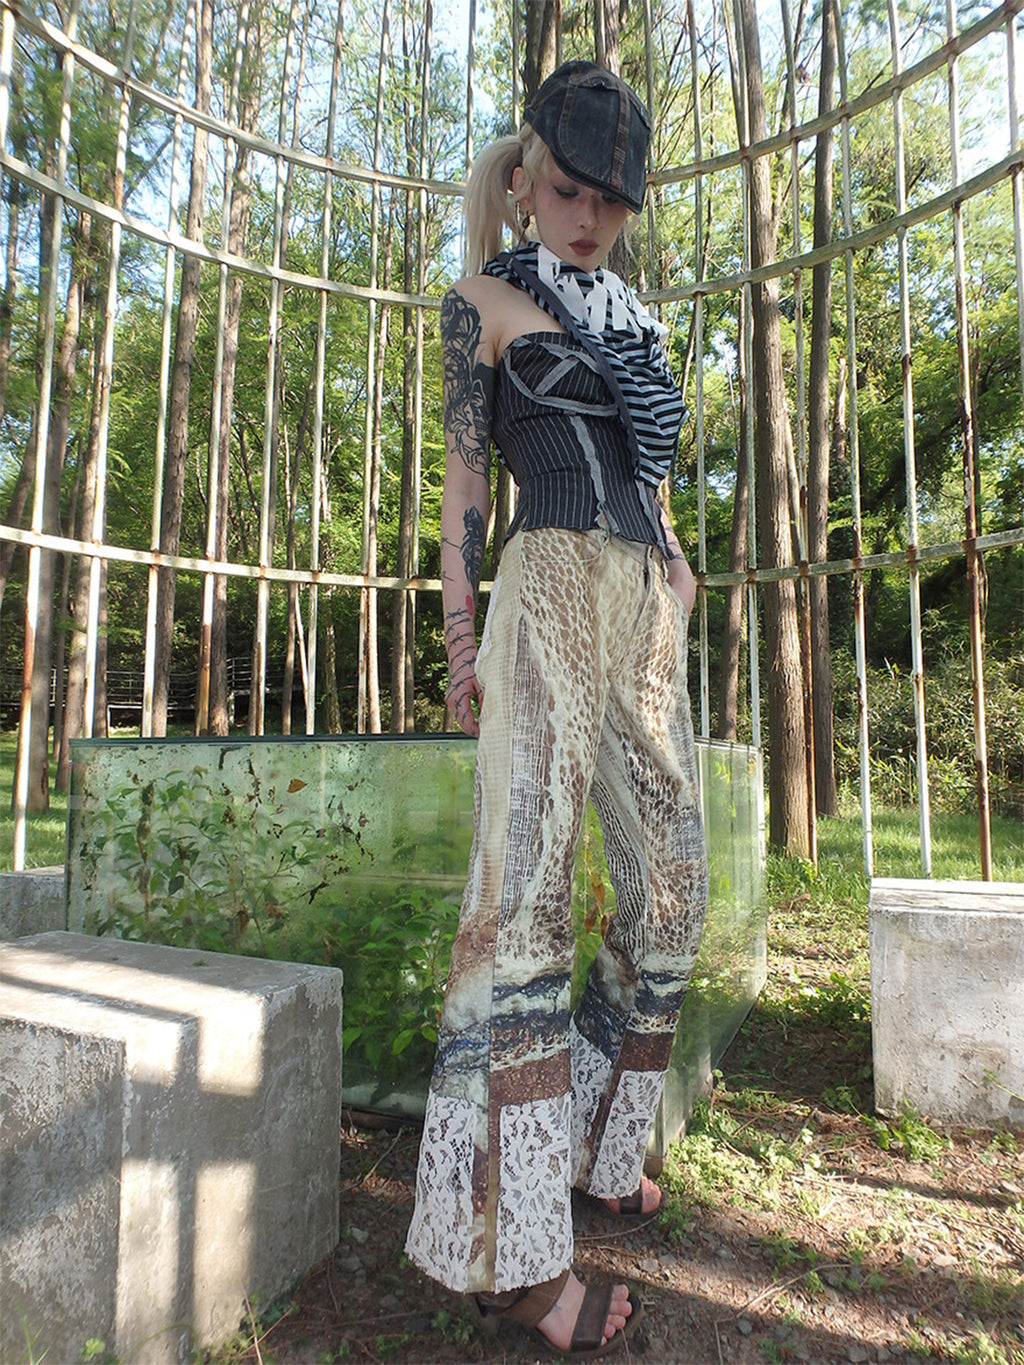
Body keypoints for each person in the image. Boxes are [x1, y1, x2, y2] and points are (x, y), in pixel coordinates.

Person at [405, 59, 709, 1360]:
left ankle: (594, 1148)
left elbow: (651, 473)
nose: (590, 218)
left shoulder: (634, 316)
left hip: (641, 600)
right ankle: (518, 1265)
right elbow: (466, 488)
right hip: (546, 594)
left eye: (612, 199)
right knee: (523, 900)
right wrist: (461, 636)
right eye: (572, 190)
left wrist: (677, 573)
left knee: (673, 889)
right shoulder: (480, 299)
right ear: (530, 180)